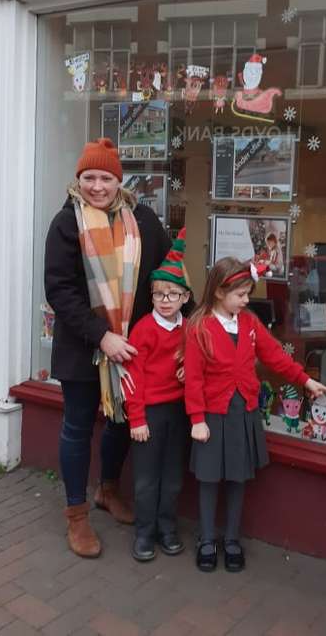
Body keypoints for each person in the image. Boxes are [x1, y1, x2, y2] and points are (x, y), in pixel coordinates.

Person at [44, 138, 172, 559]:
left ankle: (109, 489)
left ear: (119, 180)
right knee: (78, 426)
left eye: (105, 178)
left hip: (134, 348)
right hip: (85, 346)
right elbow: (60, 292)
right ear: (77, 179)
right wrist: (103, 335)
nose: (97, 186)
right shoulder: (66, 224)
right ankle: (77, 515)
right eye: (89, 177)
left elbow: (168, 272)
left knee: (121, 423)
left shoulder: (144, 221)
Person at [184, 257, 326, 573]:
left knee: (238, 478)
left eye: (247, 293)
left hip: (243, 411)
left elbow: (276, 357)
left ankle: (233, 539)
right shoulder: (200, 327)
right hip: (212, 412)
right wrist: (197, 418)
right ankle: (207, 539)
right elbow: (194, 378)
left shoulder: (249, 323)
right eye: (240, 294)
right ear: (219, 292)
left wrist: (304, 380)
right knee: (209, 479)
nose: (246, 300)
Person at [124, 229, 191, 562]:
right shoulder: (144, 330)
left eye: (172, 294)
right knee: (147, 478)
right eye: (159, 294)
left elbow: (202, 363)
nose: (166, 301)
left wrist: (188, 371)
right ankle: (144, 532)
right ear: (151, 297)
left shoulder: (189, 330)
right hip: (149, 413)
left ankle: (167, 528)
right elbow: (132, 378)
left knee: (173, 475)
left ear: (184, 298)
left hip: (179, 412)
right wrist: (136, 419)